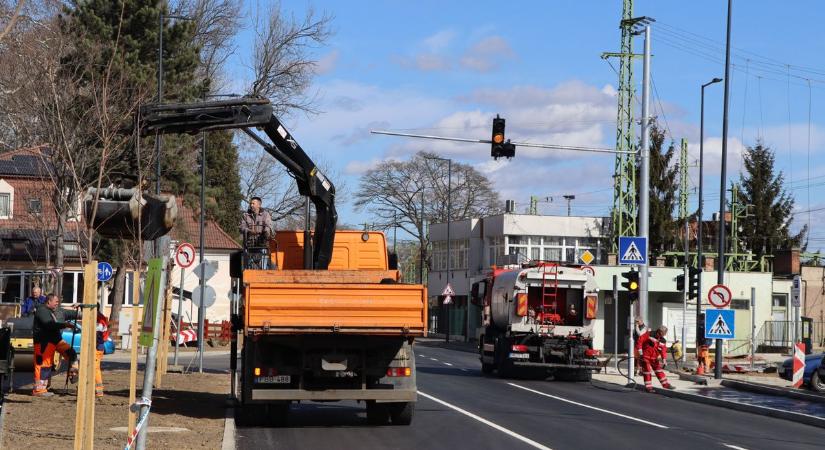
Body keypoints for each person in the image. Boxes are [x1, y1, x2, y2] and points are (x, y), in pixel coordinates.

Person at [32, 293, 78, 397]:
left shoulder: (52, 311)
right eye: (56, 302)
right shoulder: (42, 311)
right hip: (44, 342)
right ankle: (39, 390)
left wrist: (79, 308)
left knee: (71, 353)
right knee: (44, 365)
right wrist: (65, 325)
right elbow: (49, 325)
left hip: (55, 340)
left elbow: (72, 314)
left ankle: (73, 373)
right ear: (49, 301)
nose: (57, 304)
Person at [635, 325, 674, 392]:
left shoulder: (663, 340)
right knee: (647, 371)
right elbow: (640, 341)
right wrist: (640, 353)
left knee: (659, 370)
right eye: (664, 333)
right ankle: (648, 387)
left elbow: (663, 350)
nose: (665, 334)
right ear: (660, 331)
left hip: (654, 358)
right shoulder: (649, 334)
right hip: (645, 356)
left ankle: (666, 384)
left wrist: (664, 359)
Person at [94, 305, 109, 398]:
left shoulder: (100, 319)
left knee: (95, 368)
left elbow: (96, 332)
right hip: (97, 345)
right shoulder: (99, 317)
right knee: (93, 368)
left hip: (97, 346)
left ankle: (99, 391)